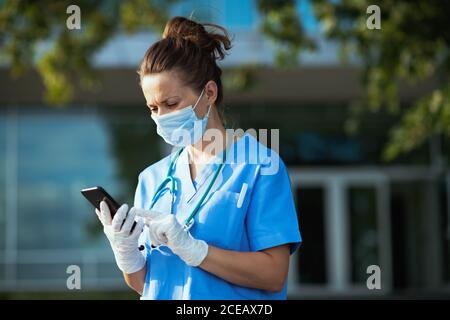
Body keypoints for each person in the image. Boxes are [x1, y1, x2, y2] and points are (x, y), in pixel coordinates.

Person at [95, 16, 302, 300]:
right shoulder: (152, 178)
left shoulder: (258, 166)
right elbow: (149, 284)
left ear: (209, 93)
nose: (161, 117)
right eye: (153, 108)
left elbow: (273, 275)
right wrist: (127, 255)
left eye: (171, 104)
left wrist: (196, 250)